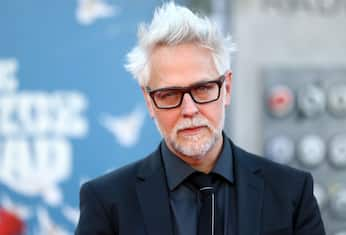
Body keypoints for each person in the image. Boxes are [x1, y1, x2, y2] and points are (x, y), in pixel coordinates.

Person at [75, 2, 325, 235]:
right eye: (170, 94)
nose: (189, 109)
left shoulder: (291, 192)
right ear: (149, 101)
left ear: (226, 88)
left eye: (202, 89)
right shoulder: (107, 201)